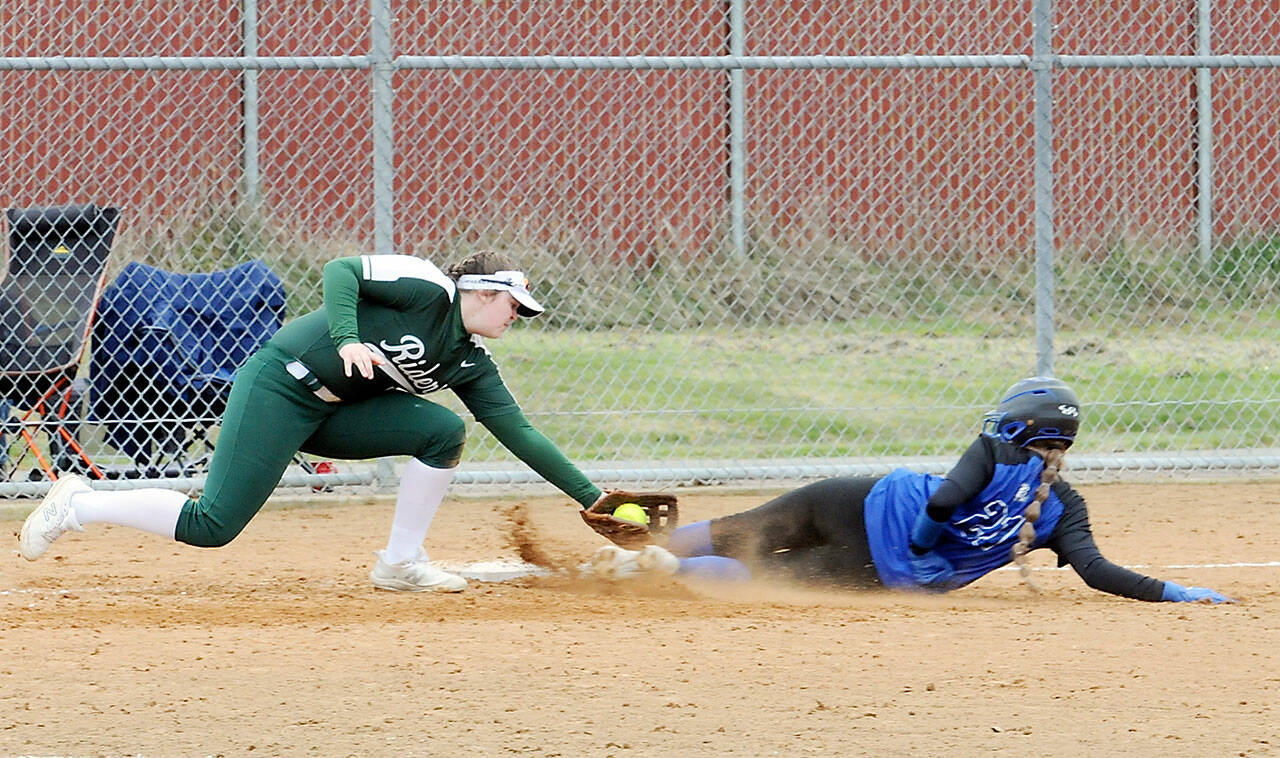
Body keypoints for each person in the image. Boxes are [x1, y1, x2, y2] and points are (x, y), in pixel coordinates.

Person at [20, 251, 611, 593]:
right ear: (480, 292)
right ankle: (78, 503)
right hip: (280, 384)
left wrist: (594, 498)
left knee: (443, 432)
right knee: (212, 525)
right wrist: (350, 339)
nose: (517, 317)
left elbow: (521, 435)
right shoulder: (427, 289)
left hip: (335, 412)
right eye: (514, 306)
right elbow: (340, 271)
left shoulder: (470, 363)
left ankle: (399, 564)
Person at [590, 377, 1233, 604]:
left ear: (1019, 425)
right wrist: (1176, 591)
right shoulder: (1066, 508)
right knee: (770, 575)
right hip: (884, 566)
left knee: (753, 531)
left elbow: (943, 501)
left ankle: (648, 547)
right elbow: (1096, 572)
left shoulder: (992, 448)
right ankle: (665, 563)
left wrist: (925, 536)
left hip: (862, 499)